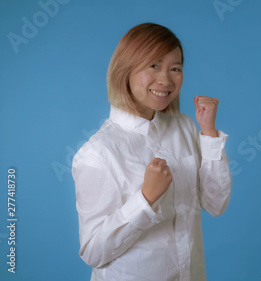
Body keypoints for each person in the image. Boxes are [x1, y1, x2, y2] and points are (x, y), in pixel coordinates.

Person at [72, 22, 232, 281]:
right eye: (153, 65)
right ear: (126, 69)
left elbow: (215, 204)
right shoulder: (99, 153)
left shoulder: (185, 127)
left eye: (175, 68)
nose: (166, 79)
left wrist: (209, 134)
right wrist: (145, 200)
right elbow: (93, 251)